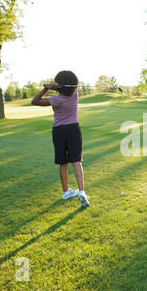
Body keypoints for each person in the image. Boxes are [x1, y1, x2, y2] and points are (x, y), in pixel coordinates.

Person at [31, 70, 90, 207]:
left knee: (63, 162)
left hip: (58, 131)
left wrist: (47, 88)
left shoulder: (55, 99)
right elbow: (72, 86)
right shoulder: (75, 94)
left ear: (59, 84)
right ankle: (81, 191)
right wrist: (60, 86)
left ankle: (65, 192)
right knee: (76, 161)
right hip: (73, 129)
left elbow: (35, 101)